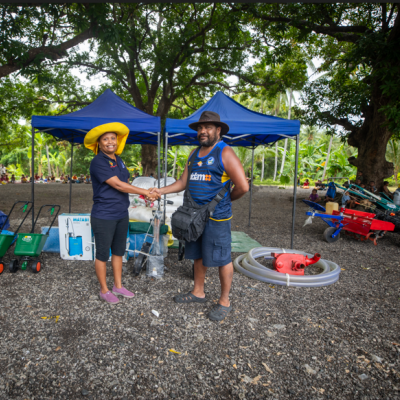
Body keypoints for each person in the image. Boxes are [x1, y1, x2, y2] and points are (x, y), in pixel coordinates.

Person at [150, 111, 249, 321]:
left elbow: (243, 187)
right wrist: (160, 191)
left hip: (217, 218)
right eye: (200, 128)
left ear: (218, 130)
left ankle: (224, 301)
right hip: (193, 216)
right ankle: (198, 292)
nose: (203, 131)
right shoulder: (194, 154)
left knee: (222, 258)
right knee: (197, 254)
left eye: (208, 128)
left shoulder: (225, 152)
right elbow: (182, 183)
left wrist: (226, 200)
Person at [84, 122, 160, 304]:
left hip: (121, 213)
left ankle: (118, 286)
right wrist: (144, 192)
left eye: (113, 138)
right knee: (102, 253)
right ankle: (104, 289)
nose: (110, 142)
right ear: (99, 144)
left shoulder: (119, 160)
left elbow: (125, 186)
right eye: (105, 139)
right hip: (103, 214)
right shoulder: (98, 162)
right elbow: (118, 184)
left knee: (119, 251)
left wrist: (144, 197)